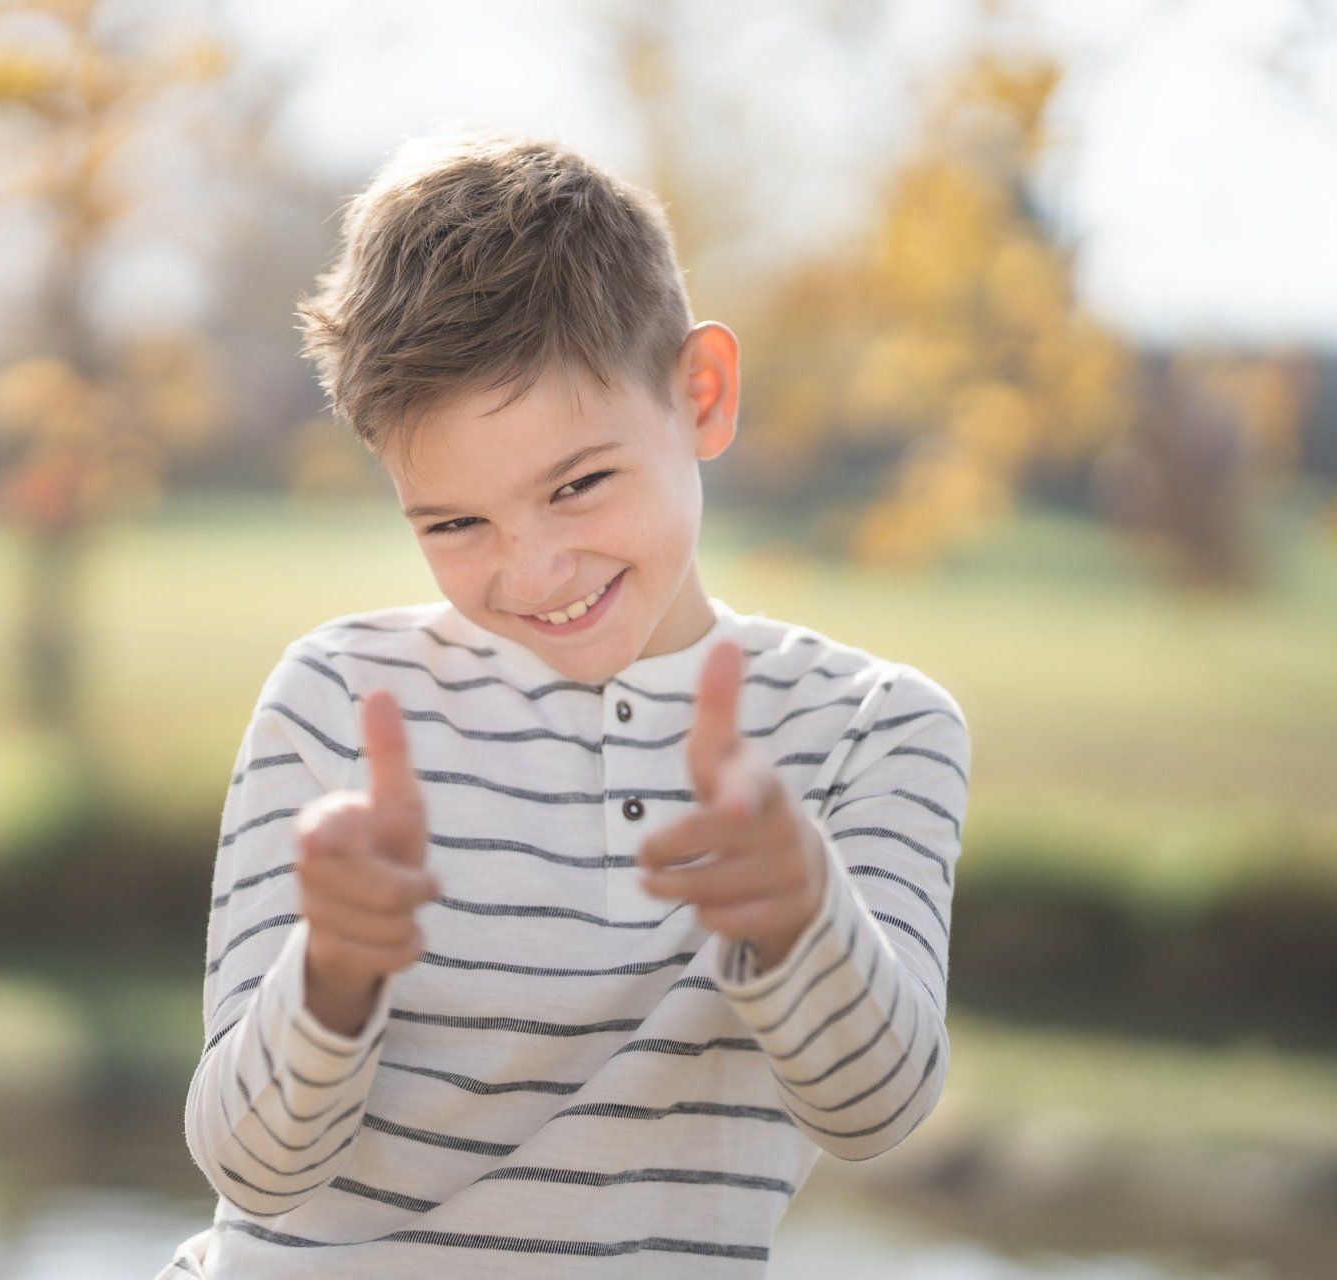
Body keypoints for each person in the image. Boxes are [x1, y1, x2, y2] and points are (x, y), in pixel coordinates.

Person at [157, 128, 970, 1279]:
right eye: (453, 523)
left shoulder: (874, 729)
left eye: (578, 484)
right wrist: (335, 965)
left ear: (703, 393)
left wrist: (800, 914)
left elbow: (877, 1110)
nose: (534, 572)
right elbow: (250, 1164)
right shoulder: (338, 697)